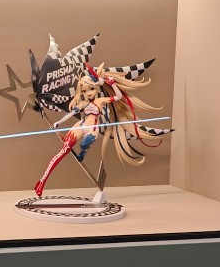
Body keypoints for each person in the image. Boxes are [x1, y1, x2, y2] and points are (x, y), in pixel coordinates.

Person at [34, 63, 165, 198]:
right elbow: (70, 114)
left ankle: (84, 151)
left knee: (87, 142)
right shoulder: (83, 103)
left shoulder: (101, 101)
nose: (88, 93)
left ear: (96, 87)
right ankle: (42, 181)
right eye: (84, 91)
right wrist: (58, 123)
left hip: (92, 128)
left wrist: (112, 84)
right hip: (81, 125)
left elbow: (118, 97)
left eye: (91, 89)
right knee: (62, 152)